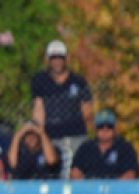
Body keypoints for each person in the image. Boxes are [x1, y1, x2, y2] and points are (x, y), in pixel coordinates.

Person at [31, 40, 93, 179]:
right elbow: (38, 107)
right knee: (53, 171)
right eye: (54, 58)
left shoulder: (78, 81)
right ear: (48, 59)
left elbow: (87, 109)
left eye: (60, 58)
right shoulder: (40, 81)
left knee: (78, 171)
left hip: (76, 134)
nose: (57, 62)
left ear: (66, 59)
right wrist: (39, 132)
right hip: (51, 135)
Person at [70, 109, 139, 180]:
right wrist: (85, 186)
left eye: (109, 126)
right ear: (95, 128)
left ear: (115, 127)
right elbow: (75, 171)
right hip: (90, 188)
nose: (105, 129)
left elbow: (131, 173)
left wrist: (114, 187)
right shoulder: (86, 148)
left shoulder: (125, 147)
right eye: (101, 126)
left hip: (117, 188)